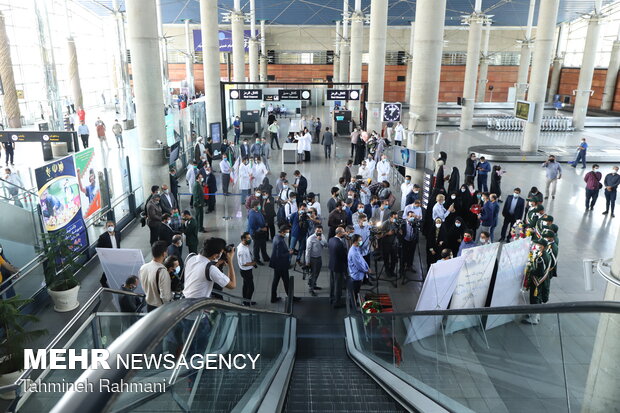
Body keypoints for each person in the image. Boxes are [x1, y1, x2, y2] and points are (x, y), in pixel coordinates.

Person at [523, 238, 552, 325]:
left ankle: (534, 318)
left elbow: (540, 272)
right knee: (537, 298)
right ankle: (535, 314)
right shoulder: (547, 255)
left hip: (537, 281)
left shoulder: (541, 258)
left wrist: (530, 270)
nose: (537, 246)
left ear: (543, 247)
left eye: (538, 245)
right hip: (543, 280)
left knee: (534, 298)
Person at [269, 224, 300, 303]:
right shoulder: (280, 241)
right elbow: (279, 255)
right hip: (281, 265)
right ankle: (291, 297)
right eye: (287, 232)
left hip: (277, 264)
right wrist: (289, 253)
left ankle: (273, 298)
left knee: (275, 281)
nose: (288, 233)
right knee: (286, 281)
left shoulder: (276, 237)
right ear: (283, 232)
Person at [139, 241, 172, 312]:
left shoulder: (143, 267)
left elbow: (143, 286)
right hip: (160, 308)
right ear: (164, 254)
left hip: (149, 305)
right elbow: (165, 296)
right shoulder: (162, 271)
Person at [347, 233, 371, 309]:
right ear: (355, 241)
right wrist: (366, 270)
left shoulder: (356, 248)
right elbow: (359, 265)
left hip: (359, 275)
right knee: (355, 291)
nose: (361, 241)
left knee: (356, 291)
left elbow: (361, 258)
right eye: (360, 240)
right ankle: (353, 306)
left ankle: (354, 302)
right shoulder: (353, 252)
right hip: (356, 276)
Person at [97, 220, 121, 288]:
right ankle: (103, 281)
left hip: (116, 254)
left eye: (111, 225)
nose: (110, 227)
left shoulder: (118, 233)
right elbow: (99, 247)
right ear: (106, 227)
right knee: (108, 268)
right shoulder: (102, 237)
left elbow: (118, 242)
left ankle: (113, 279)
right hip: (108, 256)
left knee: (115, 266)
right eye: (108, 226)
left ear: (114, 226)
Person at [328, 227, 348, 308]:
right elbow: (343, 257)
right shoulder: (339, 244)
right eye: (343, 232)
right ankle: (337, 302)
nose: (345, 233)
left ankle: (331, 298)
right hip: (338, 267)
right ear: (339, 233)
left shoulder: (331, 240)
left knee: (332, 283)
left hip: (332, 265)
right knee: (338, 285)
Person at [305, 225, 327, 296]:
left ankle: (314, 284)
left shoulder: (322, 236)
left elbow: (326, 245)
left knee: (317, 272)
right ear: (315, 230)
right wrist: (307, 261)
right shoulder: (310, 239)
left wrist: (320, 240)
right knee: (313, 274)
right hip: (312, 258)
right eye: (317, 231)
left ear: (322, 231)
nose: (318, 232)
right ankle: (311, 289)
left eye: (320, 231)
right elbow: (307, 251)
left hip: (319, 257)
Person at [237, 232, 257, 306]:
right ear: (243, 239)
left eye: (250, 237)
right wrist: (253, 263)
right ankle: (247, 303)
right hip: (246, 271)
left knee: (245, 285)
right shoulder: (242, 250)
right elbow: (243, 263)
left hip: (247, 270)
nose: (250, 239)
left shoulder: (244, 245)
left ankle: (245, 301)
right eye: (248, 238)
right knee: (251, 288)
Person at [248, 200, 270, 264]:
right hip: (256, 233)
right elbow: (252, 226)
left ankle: (265, 257)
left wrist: (265, 223)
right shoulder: (252, 214)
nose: (259, 206)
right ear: (255, 206)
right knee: (257, 247)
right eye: (258, 205)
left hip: (262, 233)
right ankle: (256, 259)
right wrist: (261, 229)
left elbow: (261, 217)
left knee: (263, 245)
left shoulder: (258, 211)